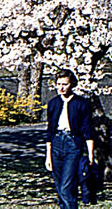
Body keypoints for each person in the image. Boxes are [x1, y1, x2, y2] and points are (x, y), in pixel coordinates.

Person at [45, 69, 94, 209]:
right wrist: (48, 156)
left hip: (73, 144)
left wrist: (90, 154)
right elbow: (49, 130)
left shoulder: (81, 103)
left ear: (71, 84)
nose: (61, 87)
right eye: (58, 84)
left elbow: (87, 129)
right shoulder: (53, 103)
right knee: (59, 185)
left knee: (66, 186)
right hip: (56, 143)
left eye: (64, 84)